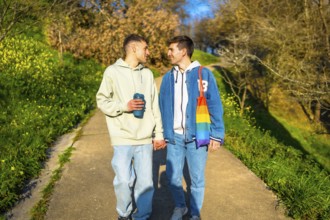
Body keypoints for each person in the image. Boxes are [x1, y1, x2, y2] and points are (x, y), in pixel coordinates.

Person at [96, 34, 166, 220]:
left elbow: (154, 106)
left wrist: (159, 133)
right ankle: (124, 214)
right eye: (146, 48)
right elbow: (101, 100)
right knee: (124, 180)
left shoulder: (147, 74)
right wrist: (124, 107)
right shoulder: (112, 71)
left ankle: (142, 216)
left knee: (145, 183)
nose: (149, 52)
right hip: (122, 137)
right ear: (134, 48)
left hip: (144, 139)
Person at [159, 35, 225, 220]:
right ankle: (181, 207)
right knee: (172, 178)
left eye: (172, 49)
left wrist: (217, 135)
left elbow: (215, 106)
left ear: (184, 51)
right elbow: (161, 106)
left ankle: (195, 213)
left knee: (196, 180)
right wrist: (160, 133)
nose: (168, 53)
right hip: (174, 137)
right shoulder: (167, 78)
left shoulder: (204, 74)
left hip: (198, 136)